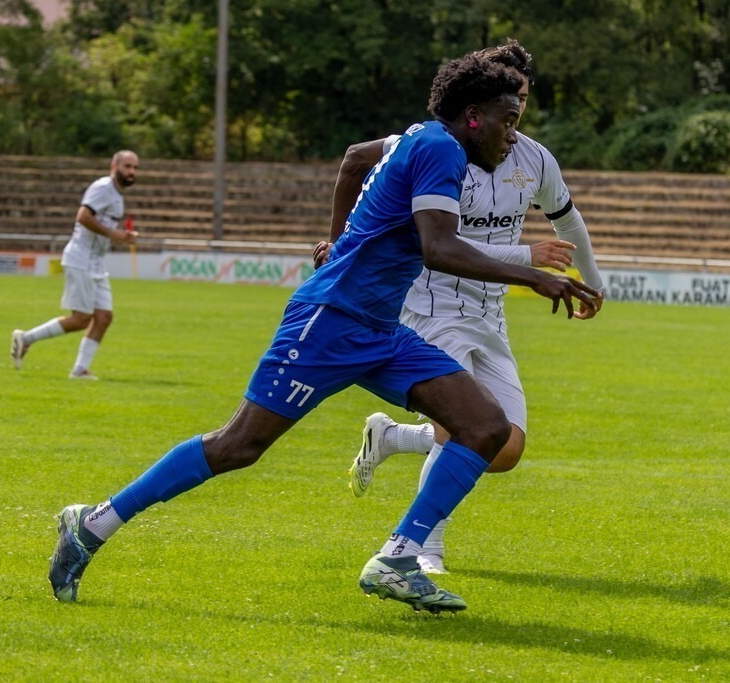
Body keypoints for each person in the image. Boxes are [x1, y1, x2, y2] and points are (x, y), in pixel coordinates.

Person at [47, 53, 598, 614]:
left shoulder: (433, 144)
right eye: (508, 119)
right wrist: (535, 275)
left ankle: (399, 558)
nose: (514, 134)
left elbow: (361, 168)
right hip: (329, 322)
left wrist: (340, 241)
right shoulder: (438, 148)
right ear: (474, 116)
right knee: (239, 445)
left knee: (485, 427)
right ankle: (91, 524)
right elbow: (439, 247)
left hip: (381, 328)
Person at [314, 40, 605, 575]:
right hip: (427, 305)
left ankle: (395, 438)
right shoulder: (436, 146)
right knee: (459, 425)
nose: (514, 107)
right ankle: (424, 550)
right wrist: (339, 247)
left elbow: (567, 219)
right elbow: (368, 171)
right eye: (505, 96)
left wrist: (593, 282)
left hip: (489, 313)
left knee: (506, 448)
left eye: (520, 96)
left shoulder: (534, 159)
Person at [10, 151, 140, 380]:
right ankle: (26, 338)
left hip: (96, 262)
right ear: (114, 166)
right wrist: (112, 233)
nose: (131, 172)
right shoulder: (103, 187)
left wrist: (121, 236)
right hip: (81, 259)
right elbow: (82, 216)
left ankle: (80, 370)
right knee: (81, 319)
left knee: (104, 317)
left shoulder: (117, 195)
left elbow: (102, 225)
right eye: (127, 166)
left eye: (135, 168)